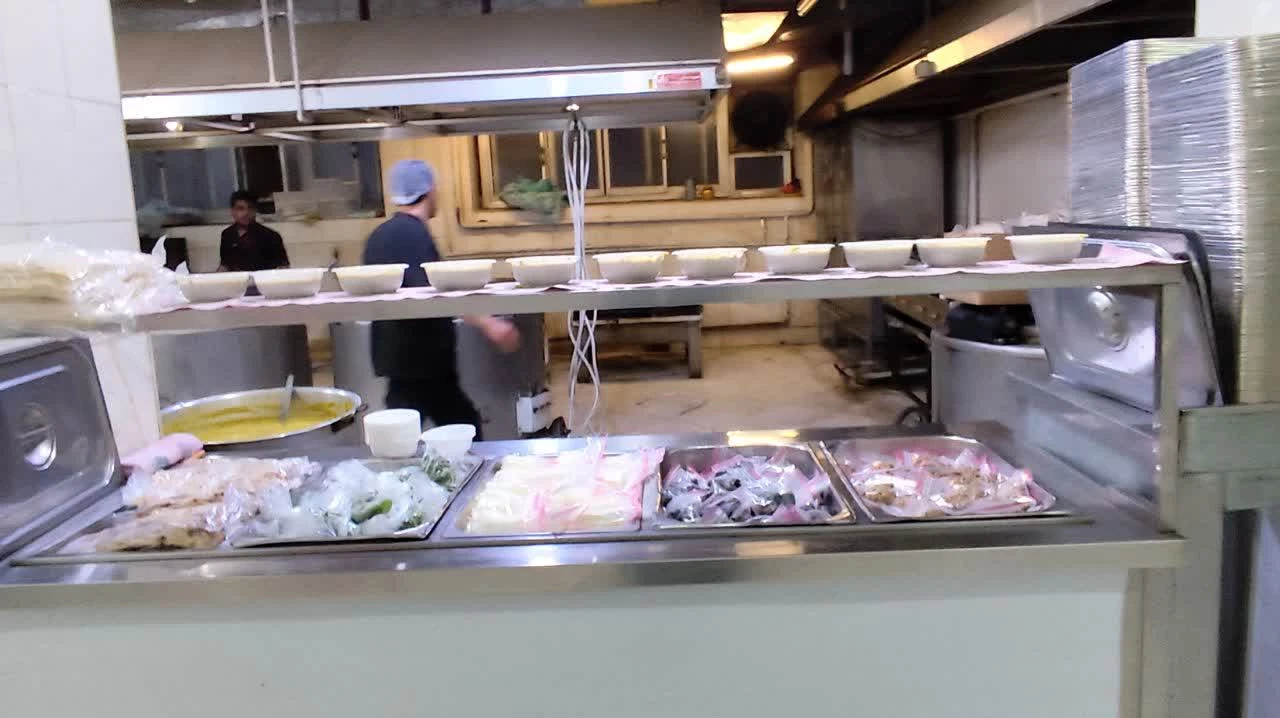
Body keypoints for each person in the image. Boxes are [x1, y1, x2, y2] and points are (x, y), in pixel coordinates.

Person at [363, 160, 519, 438]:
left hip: (400, 358)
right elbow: (437, 293)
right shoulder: (414, 235)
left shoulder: (378, 236)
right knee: (453, 430)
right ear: (429, 190)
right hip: (421, 360)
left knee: (454, 424)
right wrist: (490, 324)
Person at [218, 190, 289, 271]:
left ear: (255, 210)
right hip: (237, 278)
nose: (246, 213)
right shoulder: (227, 234)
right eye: (240, 208)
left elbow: (283, 268)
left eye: (250, 208)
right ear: (233, 211)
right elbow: (225, 265)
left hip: (263, 278)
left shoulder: (271, 236)